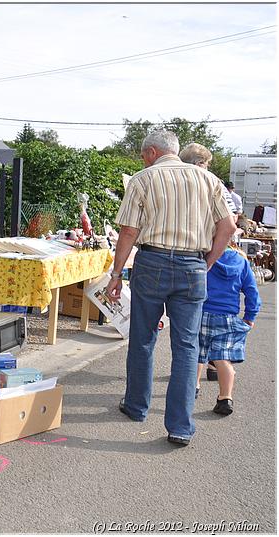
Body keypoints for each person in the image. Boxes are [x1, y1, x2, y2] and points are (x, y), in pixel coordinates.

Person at [106, 129, 235, 447]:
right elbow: (229, 227)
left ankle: (136, 407)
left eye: (142, 154)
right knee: (187, 347)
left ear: (151, 152)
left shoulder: (143, 179)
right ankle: (179, 426)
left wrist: (116, 273)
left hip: (152, 263)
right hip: (192, 266)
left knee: (143, 339)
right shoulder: (209, 180)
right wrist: (207, 263)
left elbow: (128, 232)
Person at [178, 142, 237, 384]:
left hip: (198, 253)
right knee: (214, 307)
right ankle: (213, 364)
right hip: (213, 252)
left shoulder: (176, 180)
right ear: (200, 163)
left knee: (197, 319)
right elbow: (231, 221)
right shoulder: (214, 183)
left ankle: (197, 373)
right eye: (207, 163)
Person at [194, 234, 261, 415]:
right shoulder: (241, 261)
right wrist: (250, 315)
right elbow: (251, 291)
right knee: (223, 358)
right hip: (227, 317)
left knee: (197, 353)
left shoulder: (204, 256)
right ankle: (225, 398)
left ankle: (194, 386)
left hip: (201, 313)